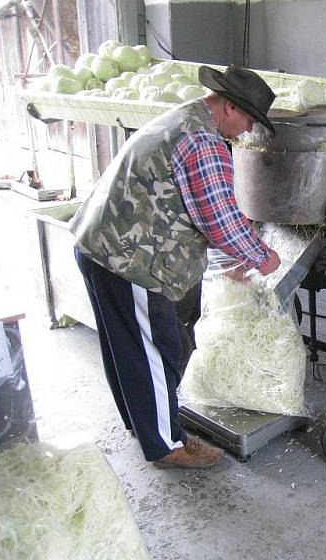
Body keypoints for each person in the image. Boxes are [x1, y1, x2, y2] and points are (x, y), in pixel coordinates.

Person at [70, 65, 281, 470]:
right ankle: (166, 445)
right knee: (156, 350)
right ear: (230, 106)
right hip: (129, 260)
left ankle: (144, 424)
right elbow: (217, 218)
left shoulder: (185, 116)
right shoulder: (203, 141)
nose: (249, 130)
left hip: (99, 245)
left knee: (126, 346)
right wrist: (260, 256)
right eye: (249, 120)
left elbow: (189, 207)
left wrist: (228, 261)